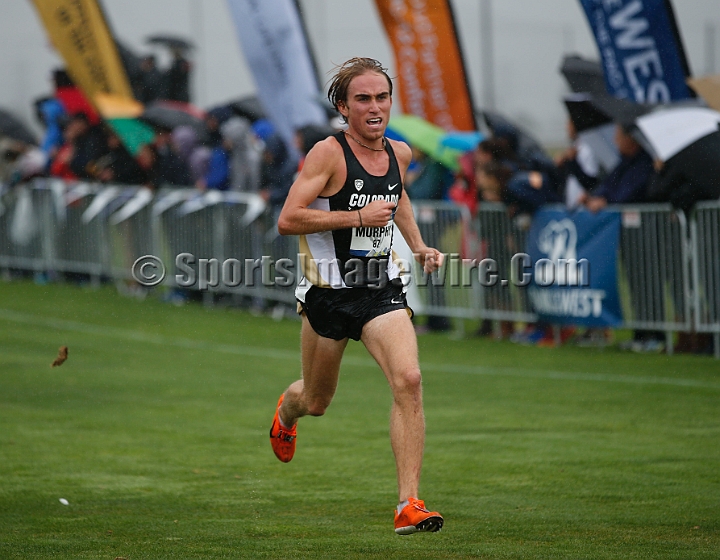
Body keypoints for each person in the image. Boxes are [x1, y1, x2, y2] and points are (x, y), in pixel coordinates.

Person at [270, 57, 444, 535]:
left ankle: (409, 503)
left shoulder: (400, 154)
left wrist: (419, 245)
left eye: (382, 97)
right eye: (363, 99)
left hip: (379, 289)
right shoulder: (326, 154)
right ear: (344, 107)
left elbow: (398, 197)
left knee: (408, 379)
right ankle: (287, 411)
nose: (374, 107)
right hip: (327, 296)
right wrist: (354, 219)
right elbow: (288, 219)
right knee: (317, 400)